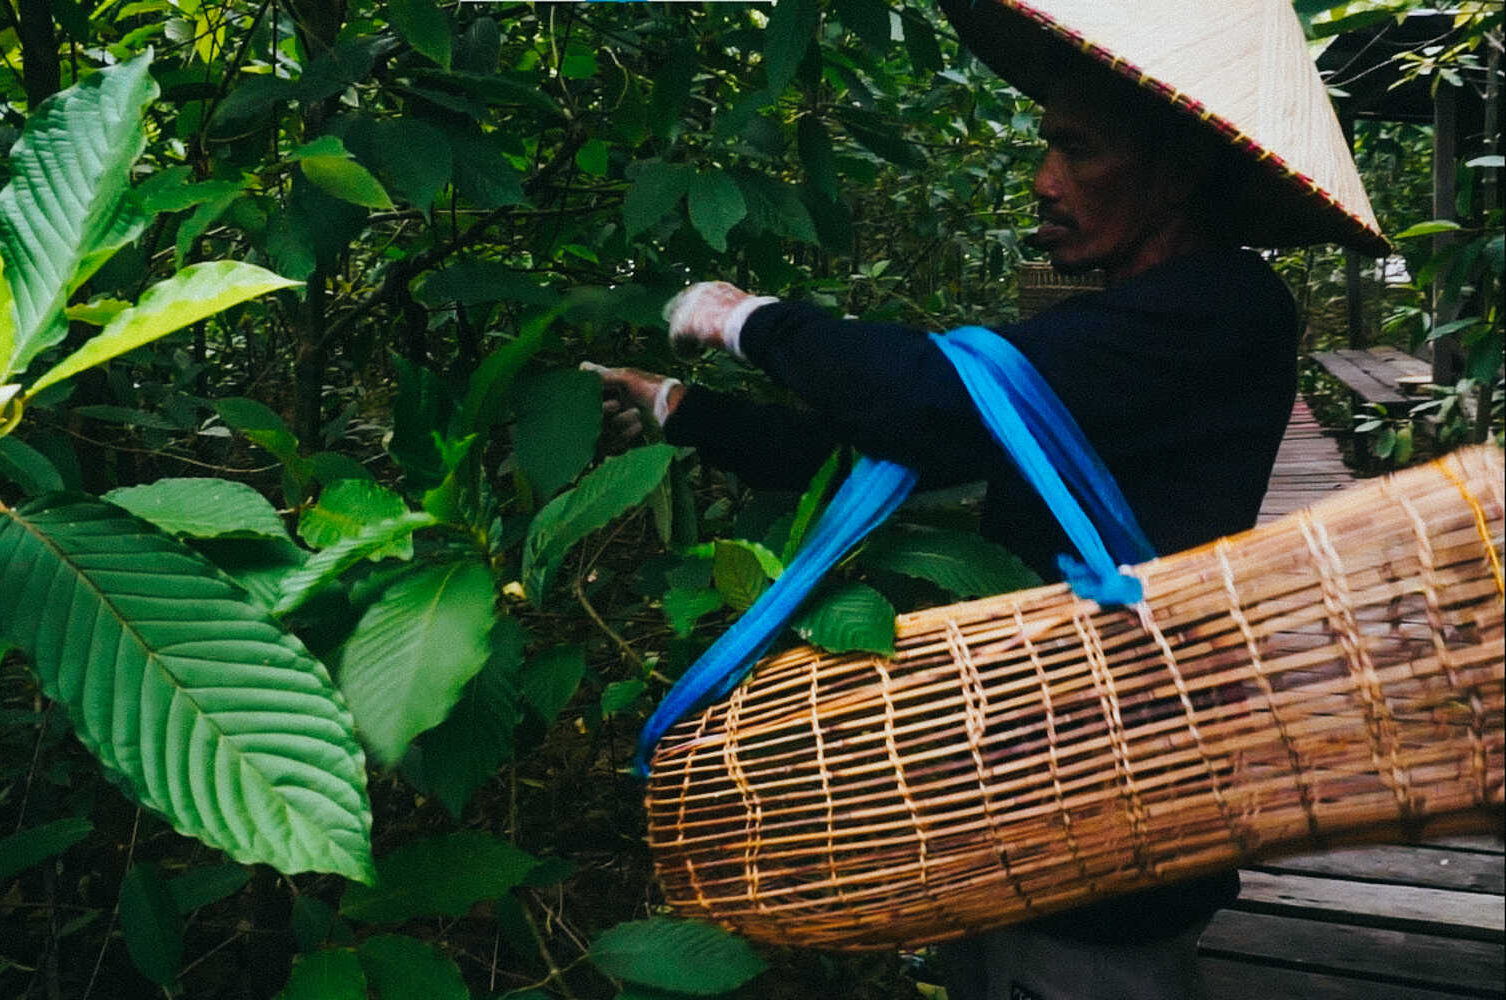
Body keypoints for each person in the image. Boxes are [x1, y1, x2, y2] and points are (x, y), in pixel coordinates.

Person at [586, 2, 1388, 998]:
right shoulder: (1132, 325)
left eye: (1077, 149)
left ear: (1178, 173)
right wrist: (679, 410)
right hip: (1035, 778)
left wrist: (744, 319)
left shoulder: (1223, 308)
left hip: (1118, 800)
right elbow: (891, 440)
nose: (1044, 182)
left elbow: (930, 399)